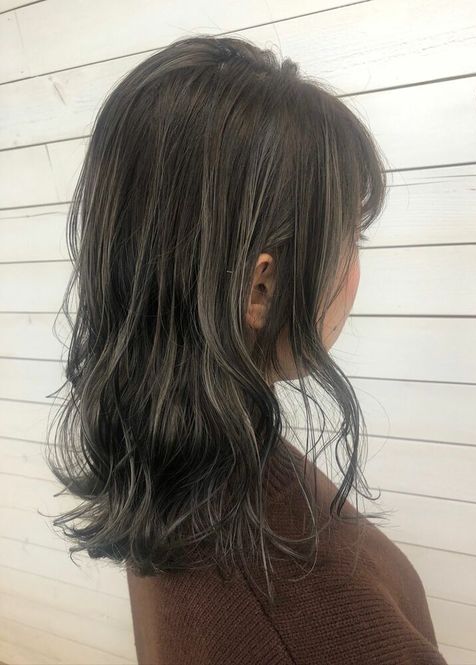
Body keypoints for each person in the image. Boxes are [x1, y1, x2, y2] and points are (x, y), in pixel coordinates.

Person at [45, 34, 449, 664]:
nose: (355, 268)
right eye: (350, 236)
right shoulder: (312, 620)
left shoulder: (166, 460)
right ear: (260, 288)